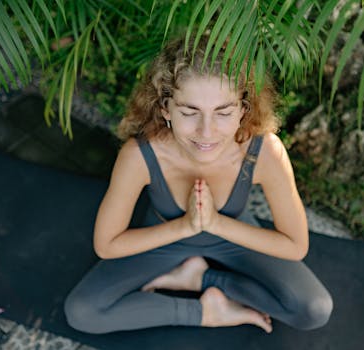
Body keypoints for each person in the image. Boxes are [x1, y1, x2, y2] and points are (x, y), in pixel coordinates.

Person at [64, 36, 333, 334]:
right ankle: (205, 311)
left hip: (233, 236)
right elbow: (107, 244)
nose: (207, 132)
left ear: (243, 109)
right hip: (164, 236)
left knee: (314, 309)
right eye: (190, 112)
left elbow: (296, 246)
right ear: (166, 108)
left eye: (224, 112)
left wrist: (215, 224)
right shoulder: (140, 154)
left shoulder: (265, 150)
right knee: (82, 312)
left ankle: (200, 279)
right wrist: (187, 227)